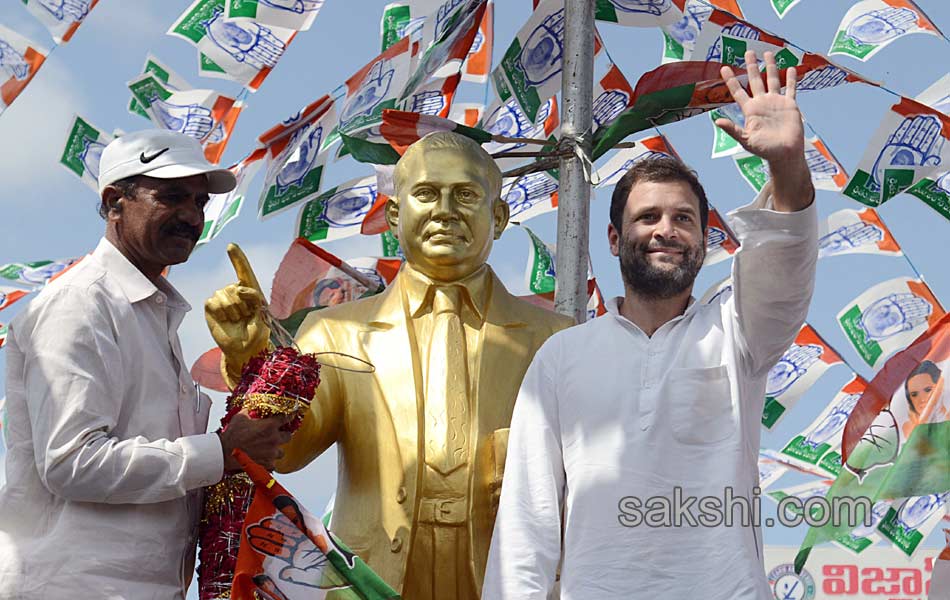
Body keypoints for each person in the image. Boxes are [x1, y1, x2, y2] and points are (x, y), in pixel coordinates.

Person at [482, 50, 818, 599]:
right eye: (647, 217)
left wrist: (785, 165)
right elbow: (526, 521)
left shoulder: (738, 335)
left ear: (705, 242)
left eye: (683, 218)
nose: (667, 230)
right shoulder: (563, 358)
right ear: (614, 240)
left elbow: (785, 268)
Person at [205, 131, 574, 599]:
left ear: (498, 217)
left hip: (507, 577)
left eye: (465, 195)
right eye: (425, 194)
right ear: (395, 216)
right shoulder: (335, 332)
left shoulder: (556, 339)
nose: (445, 210)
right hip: (373, 577)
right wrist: (251, 359)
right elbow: (289, 450)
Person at [0, 130, 291, 599]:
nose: (191, 216)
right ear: (115, 202)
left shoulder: (154, 314)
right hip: (71, 586)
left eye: (199, 201)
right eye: (172, 196)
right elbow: (72, 462)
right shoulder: (79, 304)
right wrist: (219, 451)